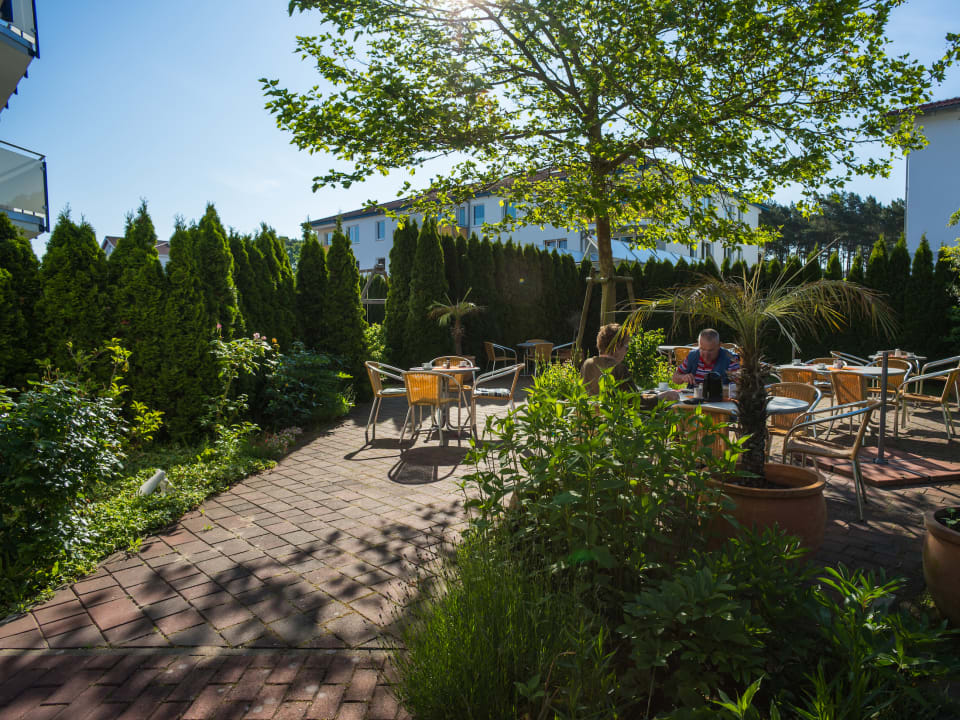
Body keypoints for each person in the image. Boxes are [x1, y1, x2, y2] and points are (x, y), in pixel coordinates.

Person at [672, 328, 740, 388]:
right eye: (702, 349)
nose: (706, 355)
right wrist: (682, 377)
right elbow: (675, 377)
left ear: (719, 345)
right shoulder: (692, 356)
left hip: (720, 400)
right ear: (698, 344)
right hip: (694, 399)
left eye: (711, 350)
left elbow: (737, 388)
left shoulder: (730, 359)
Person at [580, 323, 630, 394]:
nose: (626, 351)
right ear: (617, 346)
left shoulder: (587, 364)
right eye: (626, 347)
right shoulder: (619, 369)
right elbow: (635, 399)